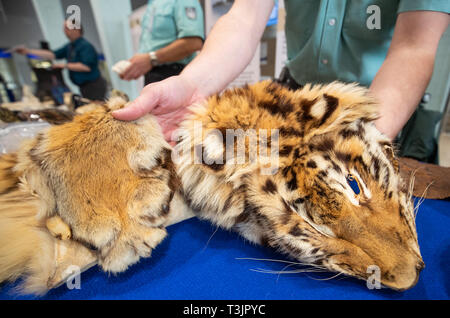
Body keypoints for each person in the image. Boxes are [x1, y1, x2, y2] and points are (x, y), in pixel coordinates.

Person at [113, 0, 449, 149]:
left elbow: (414, 47)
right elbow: (244, 18)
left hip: (381, 108)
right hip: (294, 97)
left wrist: (366, 139)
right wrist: (191, 84)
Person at [16, 20, 107, 101]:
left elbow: (86, 67)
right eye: (64, 28)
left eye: (67, 28)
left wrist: (63, 65)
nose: (65, 31)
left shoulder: (85, 46)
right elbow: (53, 54)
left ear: (76, 29)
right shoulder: (70, 46)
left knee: (96, 109)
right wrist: (28, 51)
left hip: (93, 85)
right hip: (83, 86)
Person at [120, 0, 204, 85]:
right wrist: (136, 66)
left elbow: (193, 42)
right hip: (153, 76)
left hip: (175, 76)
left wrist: (151, 59)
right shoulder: (153, 3)